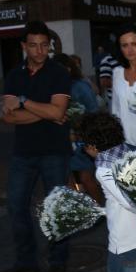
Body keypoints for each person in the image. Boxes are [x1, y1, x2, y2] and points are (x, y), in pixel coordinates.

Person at [0, 21, 72, 272]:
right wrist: (47, 113)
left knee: (55, 210)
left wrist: (23, 102)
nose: (40, 50)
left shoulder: (59, 73)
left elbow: (58, 112)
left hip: (55, 152)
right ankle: (26, 261)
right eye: (33, 45)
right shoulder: (14, 75)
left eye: (44, 45)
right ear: (23, 46)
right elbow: (9, 119)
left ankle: (58, 261)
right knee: (16, 207)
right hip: (23, 152)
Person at [78, 112, 136, 272]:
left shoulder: (104, 170)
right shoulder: (130, 151)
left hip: (125, 242)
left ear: (93, 146)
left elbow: (131, 202)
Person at [53, 53, 104, 205]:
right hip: (61, 141)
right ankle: (80, 212)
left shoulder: (79, 86)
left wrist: (82, 134)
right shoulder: (54, 88)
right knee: (66, 178)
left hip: (82, 141)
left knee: (86, 177)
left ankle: (100, 210)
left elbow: (94, 113)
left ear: (69, 69)